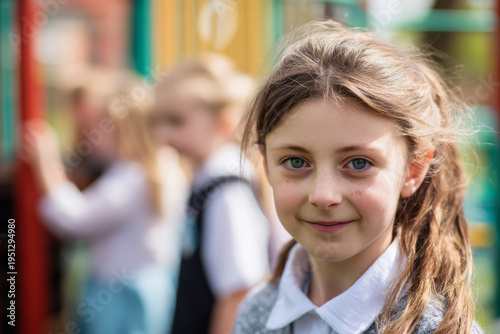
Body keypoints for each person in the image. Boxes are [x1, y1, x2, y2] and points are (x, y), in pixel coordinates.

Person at [234, 20, 484, 334]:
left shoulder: (440, 329)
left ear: (414, 169)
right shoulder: (258, 311)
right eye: (296, 161)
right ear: (267, 166)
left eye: (358, 163)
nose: (324, 195)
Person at [23, 71, 187, 334]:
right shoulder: (162, 166)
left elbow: (74, 218)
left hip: (120, 293)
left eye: (94, 129)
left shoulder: (131, 177)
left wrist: (47, 165)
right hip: (148, 285)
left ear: (120, 128)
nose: (88, 138)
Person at [154, 53, 271, 334]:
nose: (163, 134)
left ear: (223, 123)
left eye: (177, 121)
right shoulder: (207, 180)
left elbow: (237, 291)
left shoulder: (226, 190)